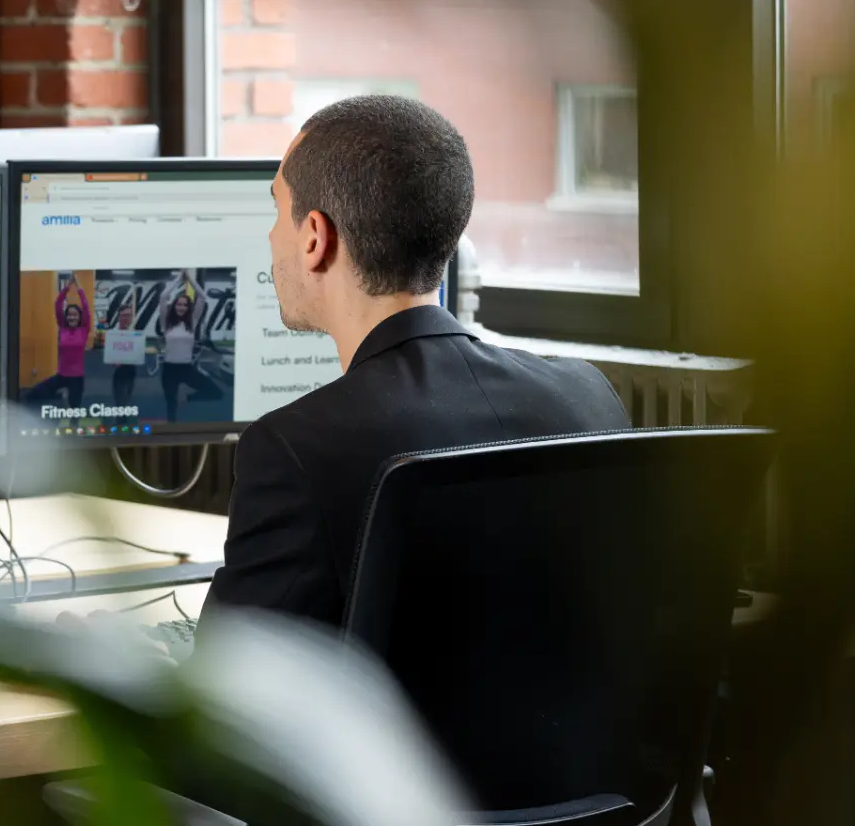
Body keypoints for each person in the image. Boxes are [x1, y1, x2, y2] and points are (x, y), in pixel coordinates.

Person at [200, 94, 630, 634]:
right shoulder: (586, 396)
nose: (269, 237)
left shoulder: (294, 451)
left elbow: (226, 687)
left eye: (276, 210)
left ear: (315, 238)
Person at [158, 269, 223, 421]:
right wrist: (179, 278)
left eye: (185, 305)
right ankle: (171, 432)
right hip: (169, 369)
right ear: (174, 306)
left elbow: (202, 297)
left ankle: (188, 398)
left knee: (216, 393)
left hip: (186, 368)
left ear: (188, 308)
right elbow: (163, 297)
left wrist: (189, 279)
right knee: (170, 405)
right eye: (179, 304)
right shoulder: (166, 323)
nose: (181, 307)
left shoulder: (192, 323)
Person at [25, 276, 91, 411]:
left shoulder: (83, 329)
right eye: (69, 315)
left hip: (77, 377)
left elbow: (86, 308)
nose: (72, 317)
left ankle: (68, 404)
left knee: (75, 408)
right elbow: (58, 304)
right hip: (61, 375)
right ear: (66, 317)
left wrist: (80, 290)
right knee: (31, 395)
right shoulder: (63, 327)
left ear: (79, 317)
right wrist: (66, 288)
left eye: (75, 315)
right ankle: (59, 395)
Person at [103, 300, 145, 426]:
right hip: (118, 373)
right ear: (119, 316)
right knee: (121, 403)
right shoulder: (112, 334)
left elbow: (138, 353)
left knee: (126, 402)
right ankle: (120, 429)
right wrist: (115, 360)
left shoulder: (135, 334)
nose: (127, 318)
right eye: (124, 315)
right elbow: (109, 355)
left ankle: (123, 428)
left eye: (129, 315)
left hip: (131, 371)